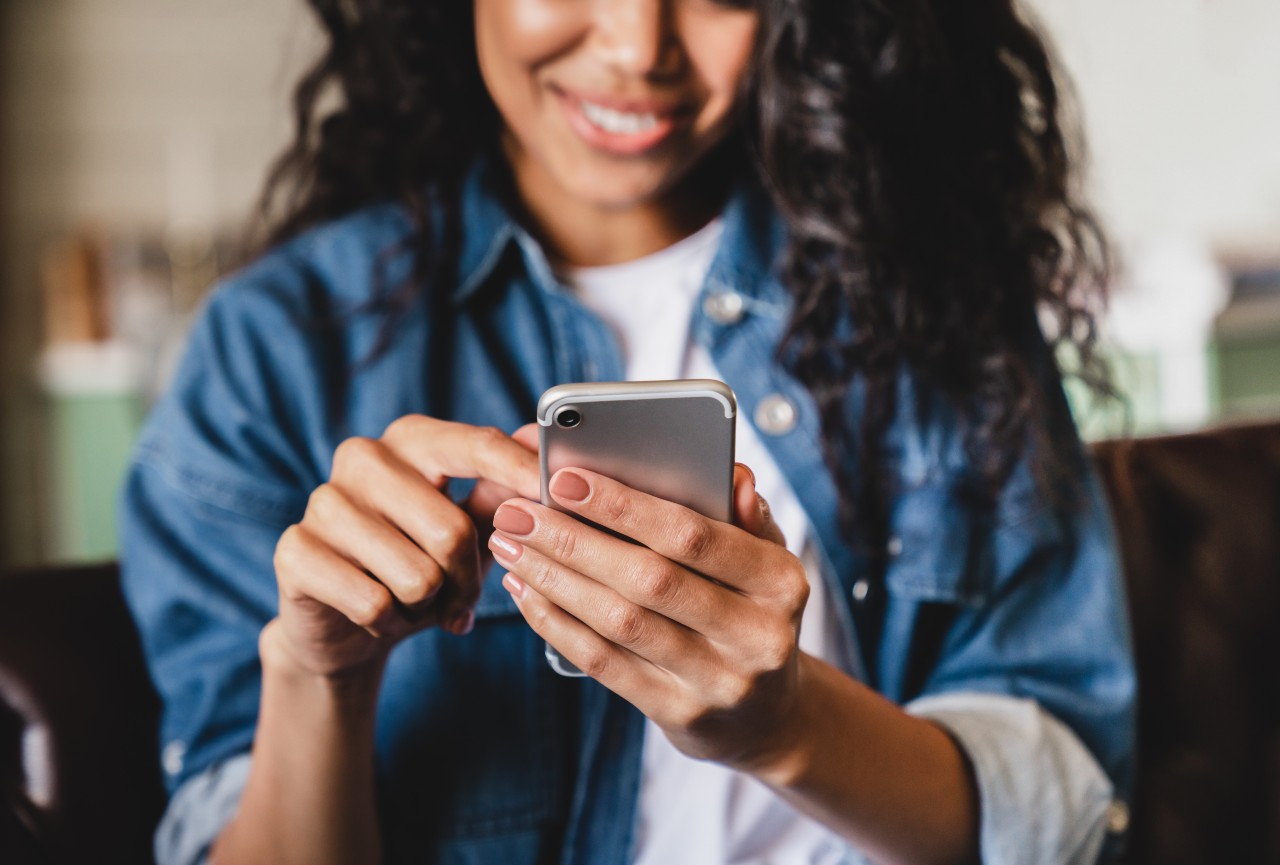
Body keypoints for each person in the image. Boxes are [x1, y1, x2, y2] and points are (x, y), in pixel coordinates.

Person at [119, 1, 1135, 864]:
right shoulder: (277, 349)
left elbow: (1063, 807)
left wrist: (783, 727)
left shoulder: (930, 296)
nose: (637, 45)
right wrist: (317, 677)